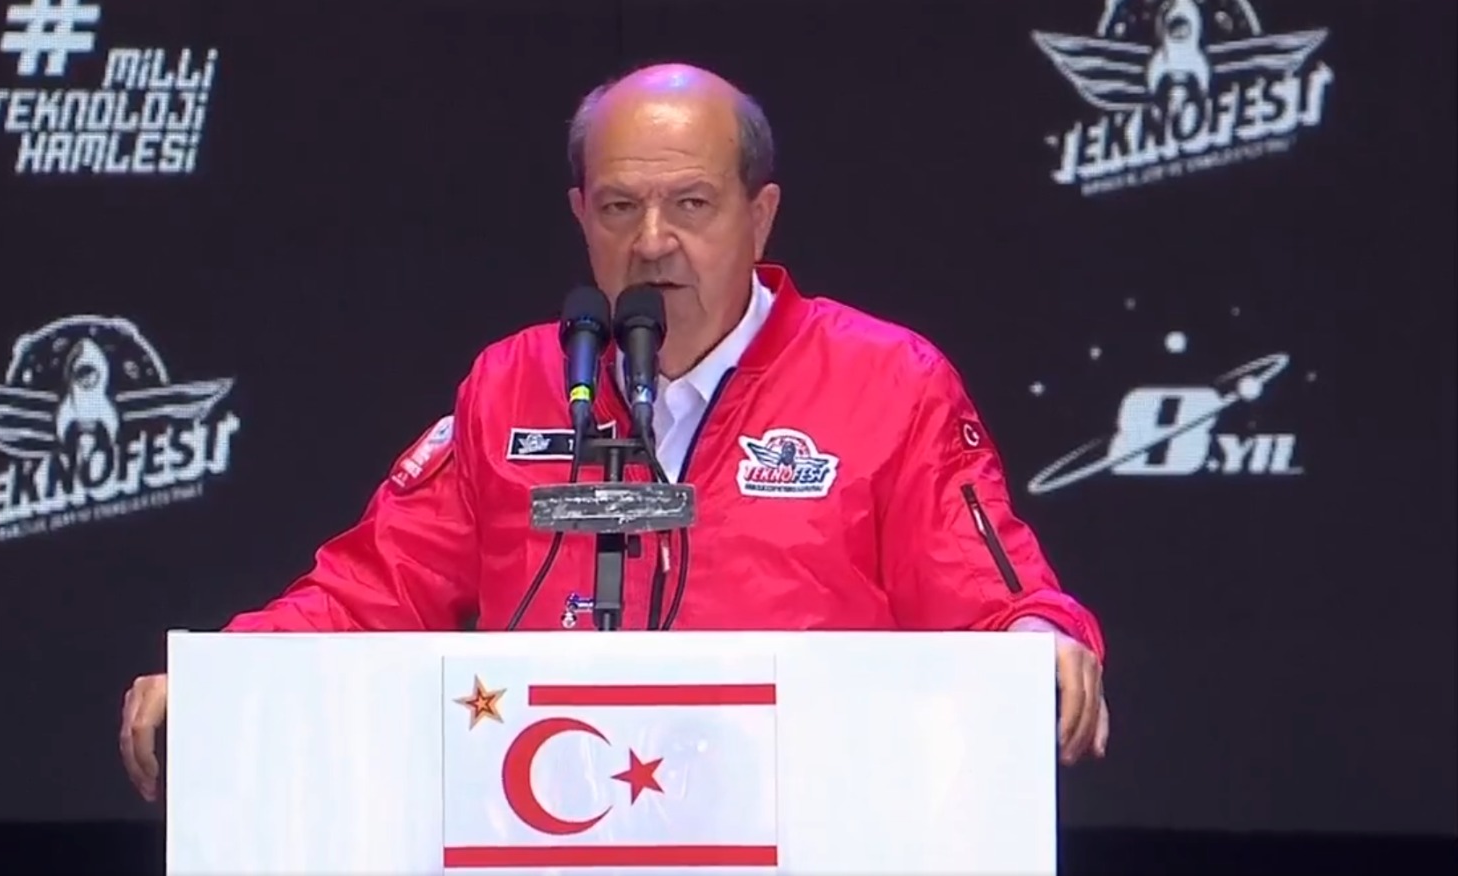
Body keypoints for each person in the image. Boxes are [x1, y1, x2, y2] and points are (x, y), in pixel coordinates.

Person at [120, 63, 1110, 802]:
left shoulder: (887, 381)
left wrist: (1044, 641)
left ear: (760, 216)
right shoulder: (518, 383)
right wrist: (224, 674)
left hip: (812, 821)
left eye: (692, 204)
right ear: (580, 216)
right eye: (619, 207)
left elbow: (995, 597)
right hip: (551, 824)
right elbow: (374, 588)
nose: (651, 241)